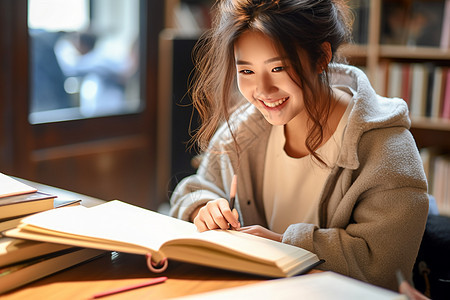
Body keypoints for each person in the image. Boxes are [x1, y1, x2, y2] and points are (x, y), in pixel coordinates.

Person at [170, 0, 429, 291]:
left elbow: (385, 268)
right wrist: (204, 206)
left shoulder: (386, 148)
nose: (262, 91)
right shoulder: (246, 128)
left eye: (278, 67)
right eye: (246, 72)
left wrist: (286, 246)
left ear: (321, 56)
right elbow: (196, 187)